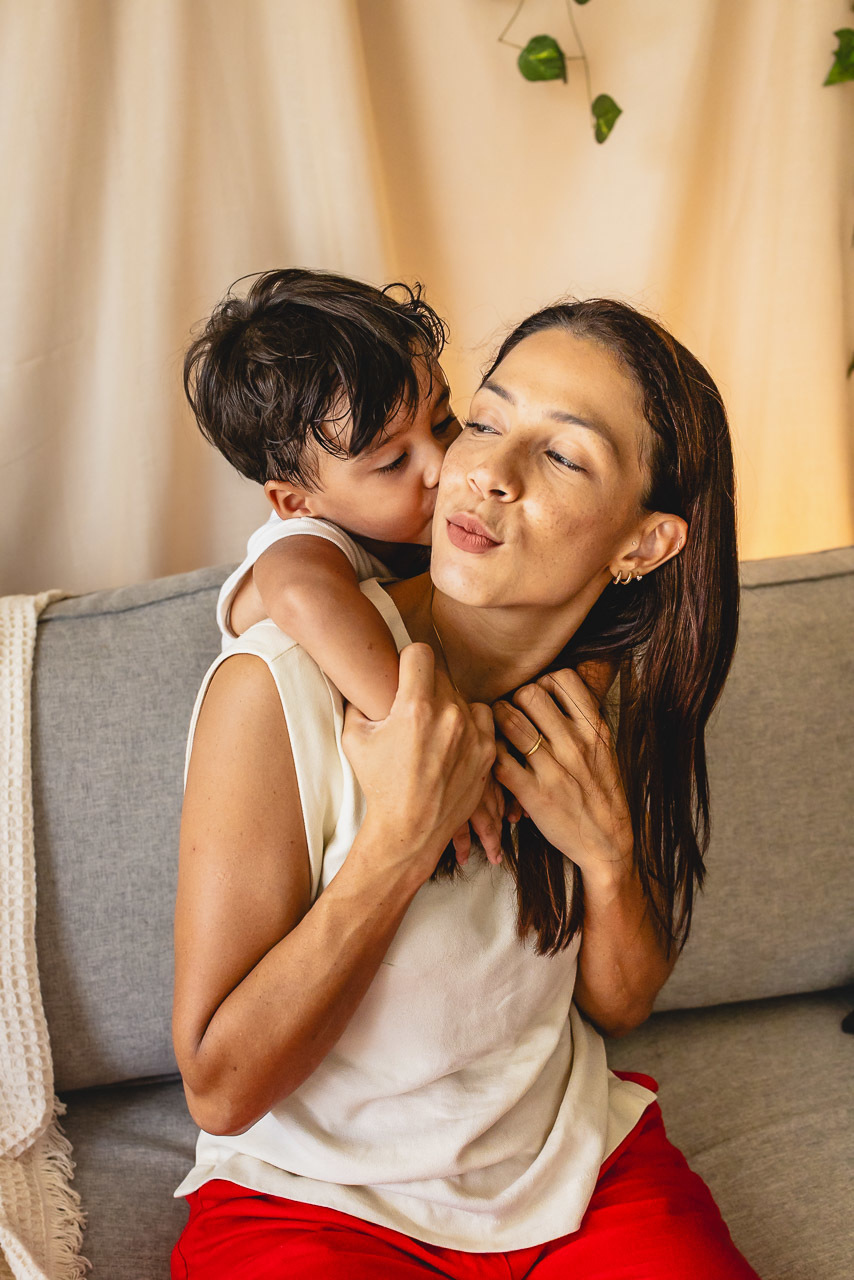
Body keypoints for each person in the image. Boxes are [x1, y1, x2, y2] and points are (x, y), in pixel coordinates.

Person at [171, 297, 759, 1278]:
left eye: (562, 455)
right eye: (484, 420)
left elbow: (620, 1006)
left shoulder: (605, 698)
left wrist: (608, 857)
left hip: (573, 1178)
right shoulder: (274, 683)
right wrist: (402, 838)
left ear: (643, 545)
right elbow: (221, 1088)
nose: (476, 468)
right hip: (311, 1204)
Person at [184, 267, 508, 864]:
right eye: (391, 462)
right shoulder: (304, 542)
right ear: (295, 500)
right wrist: (424, 733)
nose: (440, 465)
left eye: (443, 423)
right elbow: (301, 593)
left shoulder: (432, 524)